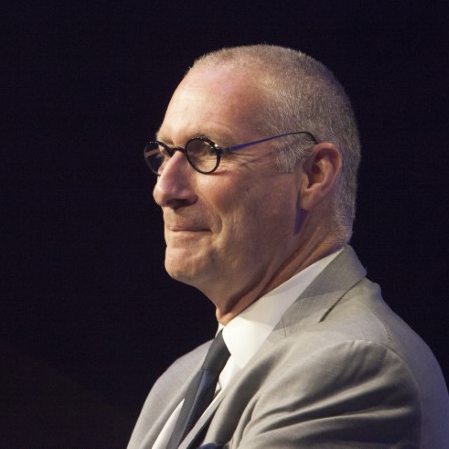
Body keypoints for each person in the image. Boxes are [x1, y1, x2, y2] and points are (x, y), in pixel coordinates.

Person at [128, 45, 449, 448]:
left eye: (205, 152)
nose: (165, 190)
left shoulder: (352, 367)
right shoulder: (177, 382)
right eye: (164, 154)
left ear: (313, 174)